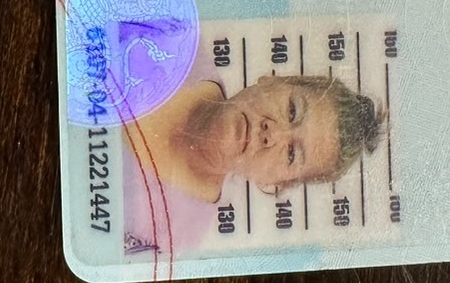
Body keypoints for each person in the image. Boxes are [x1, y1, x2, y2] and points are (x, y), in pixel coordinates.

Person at [125, 68, 385, 203]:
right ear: (273, 80)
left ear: (277, 183)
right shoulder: (175, 47)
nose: (273, 133)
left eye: (291, 154)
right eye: (292, 110)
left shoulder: (183, 240)